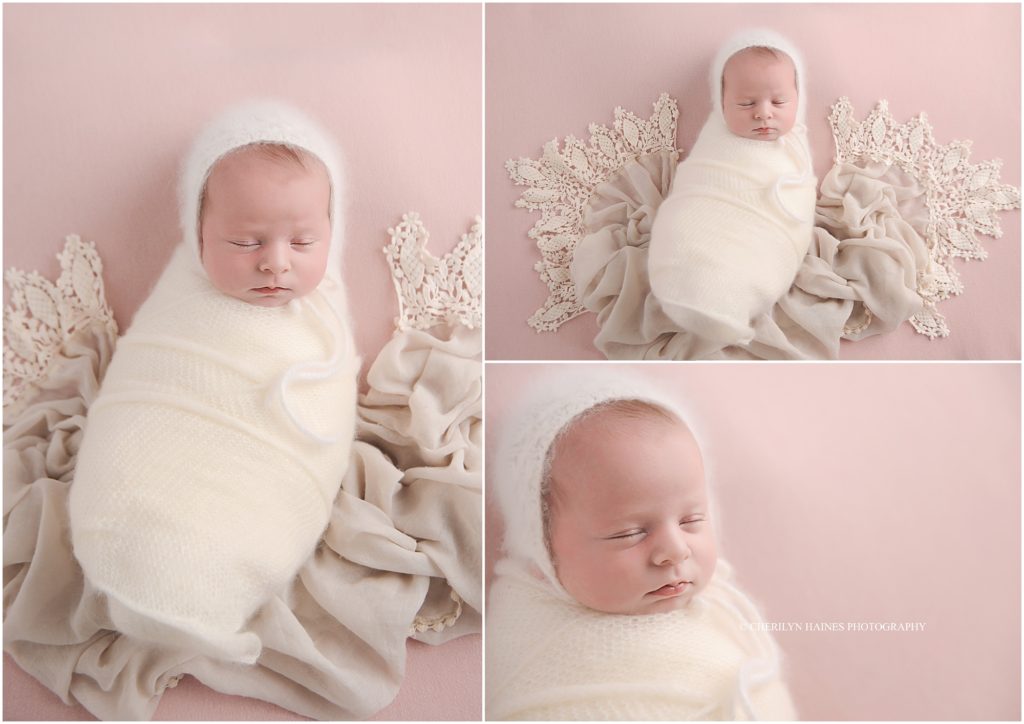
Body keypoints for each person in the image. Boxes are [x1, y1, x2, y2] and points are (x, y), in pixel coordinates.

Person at [69, 101, 359, 664]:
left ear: (332, 232)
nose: (275, 263)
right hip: (161, 456)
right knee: (131, 474)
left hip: (254, 473)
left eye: (302, 242)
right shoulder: (183, 300)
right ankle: (131, 553)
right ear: (198, 232)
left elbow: (326, 412)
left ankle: (218, 576)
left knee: (242, 512)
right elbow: (147, 388)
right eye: (247, 242)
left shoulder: (321, 318)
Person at [487, 371, 797, 720]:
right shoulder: (533, 649)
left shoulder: (722, 608)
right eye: (629, 533)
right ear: (542, 548)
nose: (675, 551)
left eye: (690, 520)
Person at [648, 29, 817, 355]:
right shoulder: (717, 141)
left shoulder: (794, 148)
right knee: (684, 228)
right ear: (722, 103)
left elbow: (799, 203)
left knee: (747, 258)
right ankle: (686, 279)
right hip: (709, 211)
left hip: (760, 230)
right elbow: (698, 188)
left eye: (779, 102)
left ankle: (730, 297)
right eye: (746, 103)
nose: (763, 113)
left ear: (798, 100)